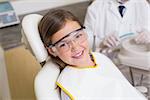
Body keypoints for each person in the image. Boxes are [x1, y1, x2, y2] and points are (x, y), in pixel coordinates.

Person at [38, 9, 146, 100]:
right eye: (63, 44)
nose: (75, 47)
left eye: (77, 36)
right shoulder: (71, 86)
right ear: (52, 51)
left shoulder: (99, 58)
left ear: (85, 33)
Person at [84, 0, 150, 53]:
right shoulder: (96, 6)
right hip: (108, 60)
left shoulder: (144, 5)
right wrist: (101, 42)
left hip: (134, 60)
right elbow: (85, 39)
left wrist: (148, 34)